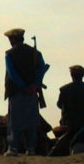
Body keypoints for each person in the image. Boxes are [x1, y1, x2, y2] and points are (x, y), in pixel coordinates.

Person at [3, 28, 49, 156]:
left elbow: (12, 74)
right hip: (32, 91)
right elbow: (41, 69)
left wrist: (24, 87)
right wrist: (34, 85)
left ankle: (13, 148)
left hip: (16, 91)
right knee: (31, 119)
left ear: (12, 40)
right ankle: (31, 148)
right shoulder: (36, 53)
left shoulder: (9, 54)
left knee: (15, 120)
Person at [56, 65, 84, 141]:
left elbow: (59, 104)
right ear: (83, 75)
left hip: (69, 123)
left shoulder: (64, 89)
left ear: (71, 75)